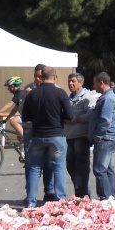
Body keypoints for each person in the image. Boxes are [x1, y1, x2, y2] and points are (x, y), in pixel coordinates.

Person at [21, 66, 73, 208]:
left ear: (40, 77)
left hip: (38, 135)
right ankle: (60, 200)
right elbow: (70, 115)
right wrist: (58, 116)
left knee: (34, 168)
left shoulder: (32, 94)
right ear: (54, 77)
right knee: (58, 167)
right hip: (56, 135)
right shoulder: (60, 93)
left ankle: (31, 201)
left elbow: (25, 117)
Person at [65, 73, 98, 198]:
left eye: (73, 81)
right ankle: (78, 190)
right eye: (69, 81)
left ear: (81, 83)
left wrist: (74, 119)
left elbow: (90, 115)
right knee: (70, 166)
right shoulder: (69, 98)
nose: (70, 84)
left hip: (81, 136)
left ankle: (83, 193)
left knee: (81, 166)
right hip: (68, 136)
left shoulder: (88, 97)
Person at [90, 72, 115, 200]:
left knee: (100, 169)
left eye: (94, 82)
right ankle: (110, 195)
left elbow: (105, 120)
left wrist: (97, 135)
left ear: (101, 82)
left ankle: (105, 197)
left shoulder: (107, 98)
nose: (93, 85)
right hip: (110, 138)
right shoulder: (110, 96)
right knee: (108, 169)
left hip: (105, 138)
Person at [0, 77, 28, 141]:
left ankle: (27, 139)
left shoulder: (20, 93)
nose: (8, 89)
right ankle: (24, 150)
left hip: (28, 116)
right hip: (26, 116)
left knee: (13, 121)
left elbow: (9, 105)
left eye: (8, 87)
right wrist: (6, 119)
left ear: (12, 86)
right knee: (19, 137)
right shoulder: (19, 94)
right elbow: (15, 109)